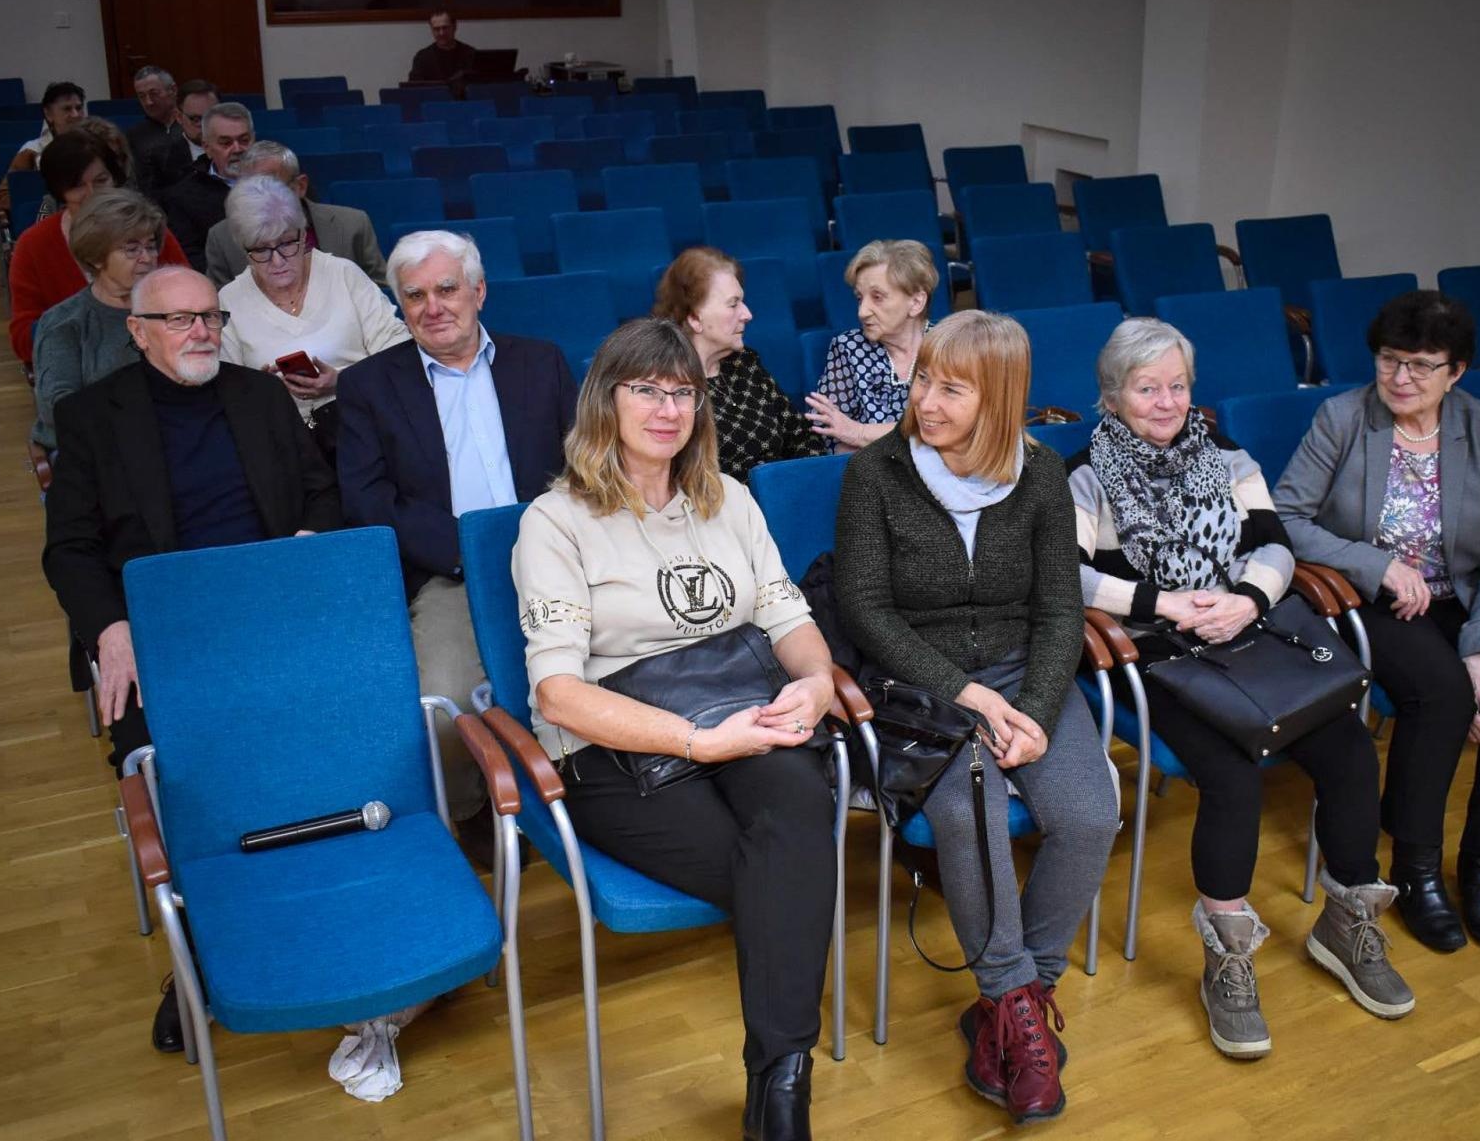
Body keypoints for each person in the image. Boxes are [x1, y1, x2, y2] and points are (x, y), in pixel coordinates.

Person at [513, 316, 837, 1141]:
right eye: (646, 390)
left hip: (741, 709)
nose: (667, 408)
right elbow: (556, 694)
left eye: (683, 391)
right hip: (615, 751)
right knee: (781, 868)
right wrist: (696, 742)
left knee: (797, 808)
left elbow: (787, 615)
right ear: (605, 400)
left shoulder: (729, 498)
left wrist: (816, 680)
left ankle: (779, 1081)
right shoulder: (556, 521)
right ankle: (785, 1086)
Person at [1066, 316, 1413, 1059]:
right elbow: (1068, 575)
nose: (1165, 402)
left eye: (1178, 385)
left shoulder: (1227, 456)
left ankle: (1347, 922)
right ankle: (1227, 958)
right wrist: (1165, 604)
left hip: (1248, 639)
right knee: (1232, 778)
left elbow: (1275, 543)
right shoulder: (1084, 472)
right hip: (1154, 655)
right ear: (1113, 394)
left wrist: (1247, 601)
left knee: (1351, 749)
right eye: (1147, 387)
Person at [42, 264, 339, 1053]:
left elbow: (320, 493)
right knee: (179, 763)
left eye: (209, 315)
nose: (201, 330)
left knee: (331, 725)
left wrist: (308, 545)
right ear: (137, 333)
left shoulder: (259, 396)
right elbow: (69, 547)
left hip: (270, 609)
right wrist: (108, 626)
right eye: (178, 320)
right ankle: (201, 948)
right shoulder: (92, 418)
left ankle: (319, 904)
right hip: (161, 626)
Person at [834, 310, 1117, 1123]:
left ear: (999, 396)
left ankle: (1011, 1002)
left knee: (1091, 813)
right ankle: (1019, 1015)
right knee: (967, 810)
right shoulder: (877, 473)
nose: (926, 399)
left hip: (1025, 678)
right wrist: (970, 696)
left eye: (951, 387)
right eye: (922, 378)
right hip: (921, 688)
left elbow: (1061, 611)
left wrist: (1028, 708)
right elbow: (864, 609)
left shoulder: (1041, 474)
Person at [1275, 290, 1480, 953]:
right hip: (1371, 599)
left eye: (1421, 365)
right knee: (1442, 693)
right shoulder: (1342, 417)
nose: (1401, 379)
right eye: (1390, 360)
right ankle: (1416, 863)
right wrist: (1374, 564)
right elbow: (1285, 517)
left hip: (1469, 591)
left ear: (1455, 371)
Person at [338, 230, 576, 847]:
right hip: (447, 571)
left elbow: (582, 465)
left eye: (446, 289)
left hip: (552, 557)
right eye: (414, 295)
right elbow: (368, 500)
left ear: (479, 291)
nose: (432, 307)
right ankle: (477, 818)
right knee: (442, 699)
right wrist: (465, 550)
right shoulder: (368, 386)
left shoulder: (539, 361)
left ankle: (588, 792)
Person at [218, 175, 408, 456]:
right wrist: (265, 390)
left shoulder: (343, 274)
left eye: (286, 244)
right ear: (244, 249)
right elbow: (227, 387)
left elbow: (398, 350)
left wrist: (341, 381)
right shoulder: (230, 299)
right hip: (280, 441)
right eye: (261, 250)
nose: (278, 261)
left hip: (362, 424)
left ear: (303, 233)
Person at [7, 129, 190, 363]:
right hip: (76, 367)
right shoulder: (33, 245)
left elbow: (188, 297)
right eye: (77, 185)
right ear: (60, 192)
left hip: (160, 359)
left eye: (101, 181)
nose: (92, 194)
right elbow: (23, 338)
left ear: (115, 178)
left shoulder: (149, 231)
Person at [651, 246, 822, 482]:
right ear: (694, 318)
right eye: (733, 304)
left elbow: (802, 437)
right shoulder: (666, 385)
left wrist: (800, 488)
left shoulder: (746, 363)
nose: (747, 314)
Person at [31, 190, 167, 448]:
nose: (147, 258)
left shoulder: (173, 309)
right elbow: (57, 408)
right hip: (95, 447)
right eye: (132, 249)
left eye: (150, 246)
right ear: (95, 257)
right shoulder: (65, 322)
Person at [803, 239, 937, 453]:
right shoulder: (848, 349)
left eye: (878, 297)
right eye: (859, 298)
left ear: (916, 302)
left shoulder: (949, 347)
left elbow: (955, 428)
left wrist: (860, 433)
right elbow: (832, 437)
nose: (862, 311)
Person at [205, 140, 387, 287]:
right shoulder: (222, 238)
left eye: (273, 188)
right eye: (251, 192)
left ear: (300, 186)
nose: (263, 200)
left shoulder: (352, 224)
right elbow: (220, 311)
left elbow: (383, 289)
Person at [162, 101, 255, 271]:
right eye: (226, 143)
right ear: (207, 148)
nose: (237, 149)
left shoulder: (279, 177)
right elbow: (191, 258)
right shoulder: (183, 197)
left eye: (244, 140)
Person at [0, 81, 86, 216]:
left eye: (79, 108)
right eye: (67, 109)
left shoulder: (96, 145)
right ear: (48, 114)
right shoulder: (32, 151)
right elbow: (2, 196)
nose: (76, 114)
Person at [138, 78, 218, 195]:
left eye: (210, 116)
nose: (204, 125)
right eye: (196, 119)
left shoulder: (241, 150)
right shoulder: (158, 160)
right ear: (179, 117)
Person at [126, 66, 183, 193]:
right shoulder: (135, 135)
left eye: (154, 94)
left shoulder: (192, 125)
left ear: (173, 90)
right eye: (142, 96)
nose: (148, 102)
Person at [409, 9, 477, 87]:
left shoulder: (471, 54)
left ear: (454, 27)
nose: (441, 33)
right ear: (431, 30)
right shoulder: (422, 58)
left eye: (445, 28)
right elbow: (414, 89)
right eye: (436, 29)